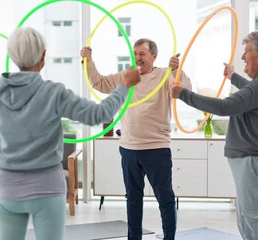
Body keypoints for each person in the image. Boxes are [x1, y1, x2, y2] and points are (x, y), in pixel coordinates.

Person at [0, 27, 141, 240]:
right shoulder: (53, 92)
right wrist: (124, 86)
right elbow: (98, 115)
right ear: (43, 56)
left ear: (12, 55)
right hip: (46, 188)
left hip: (7, 189)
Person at [171, 28, 258, 240]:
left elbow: (225, 107)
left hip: (256, 163)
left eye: (247, 51)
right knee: (249, 220)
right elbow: (251, 93)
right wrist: (233, 77)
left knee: (255, 221)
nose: (243, 56)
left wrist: (183, 94)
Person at [81, 39, 192, 240]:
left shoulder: (163, 75)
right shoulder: (127, 76)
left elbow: (185, 90)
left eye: (142, 53)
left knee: (165, 198)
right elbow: (99, 82)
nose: (137, 58)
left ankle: (169, 238)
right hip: (129, 148)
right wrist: (88, 60)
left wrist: (176, 71)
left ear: (153, 56)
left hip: (156, 147)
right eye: (135, 53)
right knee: (133, 199)